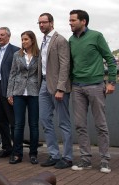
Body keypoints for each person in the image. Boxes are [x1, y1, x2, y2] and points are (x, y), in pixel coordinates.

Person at [68, 10, 116, 174]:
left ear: (84, 21)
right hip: (77, 87)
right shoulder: (71, 40)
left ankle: (104, 161)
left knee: (100, 124)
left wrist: (111, 81)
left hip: (95, 85)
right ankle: (85, 159)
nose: (70, 23)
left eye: (73, 20)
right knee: (80, 125)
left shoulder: (96, 36)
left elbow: (110, 58)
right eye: (70, 20)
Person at [37, 13, 73, 169]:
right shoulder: (44, 41)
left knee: (64, 122)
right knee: (45, 119)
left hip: (57, 86)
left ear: (51, 23)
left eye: (44, 22)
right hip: (44, 84)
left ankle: (68, 157)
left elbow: (65, 65)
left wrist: (61, 88)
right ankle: (54, 154)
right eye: (39, 23)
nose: (41, 25)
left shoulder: (60, 40)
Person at [6, 31, 40, 165]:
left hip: (34, 92)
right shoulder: (17, 55)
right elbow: (12, 74)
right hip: (18, 92)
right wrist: (10, 93)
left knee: (34, 125)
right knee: (18, 125)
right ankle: (17, 153)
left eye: (26, 39)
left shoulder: (39, 56)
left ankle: (33, 154)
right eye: (22, 39)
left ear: (32, 40)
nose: (23, 41)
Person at [0, 27, 20, 158]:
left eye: (2, 35)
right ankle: (6, 147)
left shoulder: (16, 51)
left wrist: (12, 92)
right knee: (1, 121)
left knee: (12, 120)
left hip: (9, 89)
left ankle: (16, 150)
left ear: (8, 36)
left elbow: (18, 72)